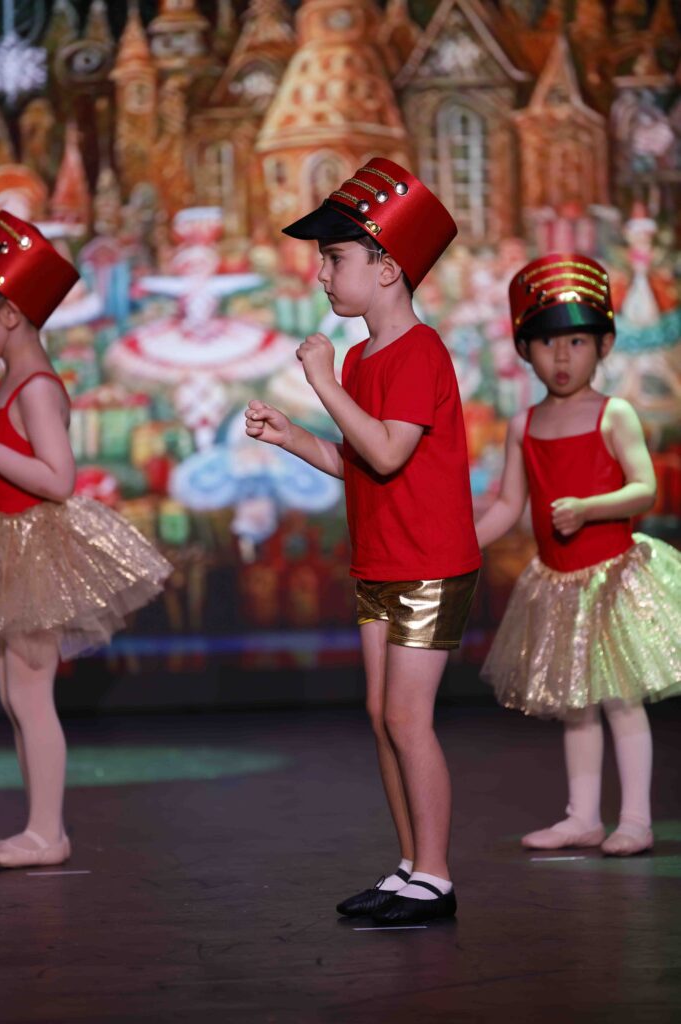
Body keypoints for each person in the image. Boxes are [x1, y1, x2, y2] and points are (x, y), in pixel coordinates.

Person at [246, 158, 480, 923]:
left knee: (408, 718)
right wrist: (293, 437)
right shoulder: (359, 357)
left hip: (427, 563)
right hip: (380, 560)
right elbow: (357, 461)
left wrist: (320, 384)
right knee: (382, 717)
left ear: (386, 268)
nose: (321, 274)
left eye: (334, 258)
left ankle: (435, 877)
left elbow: (386, 451)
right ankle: (409, 865)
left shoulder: (419, 351)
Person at [476, 253, 681, 856]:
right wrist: (458, 544)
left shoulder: (614, 413)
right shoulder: (524, 424)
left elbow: (644, 489)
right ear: (524, 351)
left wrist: (589, 508)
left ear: (604, 345)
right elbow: (509, 504)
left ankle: (636, 820)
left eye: (576, 342)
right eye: (546, 343)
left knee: (621, 700)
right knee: (576, 704)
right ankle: (582, 816)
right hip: (559, 583)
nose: (561, 358)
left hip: (612, 578)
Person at [0, 210, 172, 869]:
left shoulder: (37, 386)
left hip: (32, 548)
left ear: (10, 314)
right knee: (16, 693)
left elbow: (58, 478)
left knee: (30, 691)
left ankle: (48, 832)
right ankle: (39, 827)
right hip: (11, 542)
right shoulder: (14, 379)